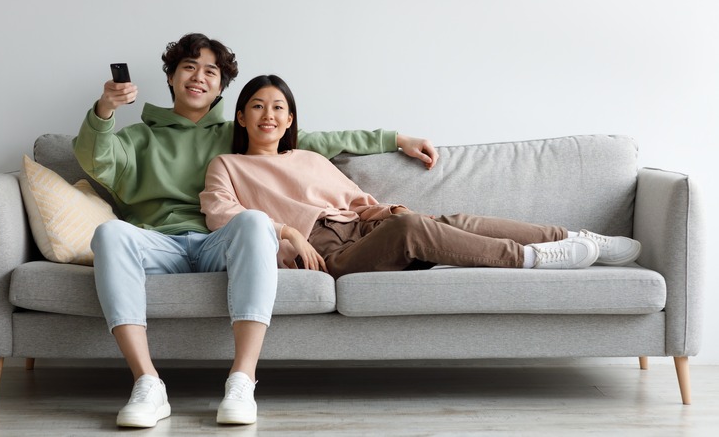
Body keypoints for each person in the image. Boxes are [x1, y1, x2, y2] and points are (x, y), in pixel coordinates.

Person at [73, 34, 439, 428]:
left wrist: (396, 138)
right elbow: (96, 158)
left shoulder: (238, 132)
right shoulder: (135, 138)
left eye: (210, 71)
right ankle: (147, 383)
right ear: (171, 77)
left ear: (221, 86)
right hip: (158, 242)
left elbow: (316, 142)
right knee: (109, 234)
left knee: (253, 220)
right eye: (189, 68)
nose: (198, 77)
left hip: (222, 240)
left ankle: (242, 381)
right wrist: (105, 110)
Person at [201, 75, 642, 283]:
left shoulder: (310, 157)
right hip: (328, 253)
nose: (268, 114)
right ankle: (532, 260)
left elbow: (358, 202)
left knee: (452, 220)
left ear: (290, 118)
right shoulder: (228, 166)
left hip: (364, 228)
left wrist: (390, 211)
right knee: (411, 229)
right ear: (241, 116)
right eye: (257, 106)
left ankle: (574, 237)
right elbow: (224, 217)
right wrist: (290, 236)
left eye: (278, 107)